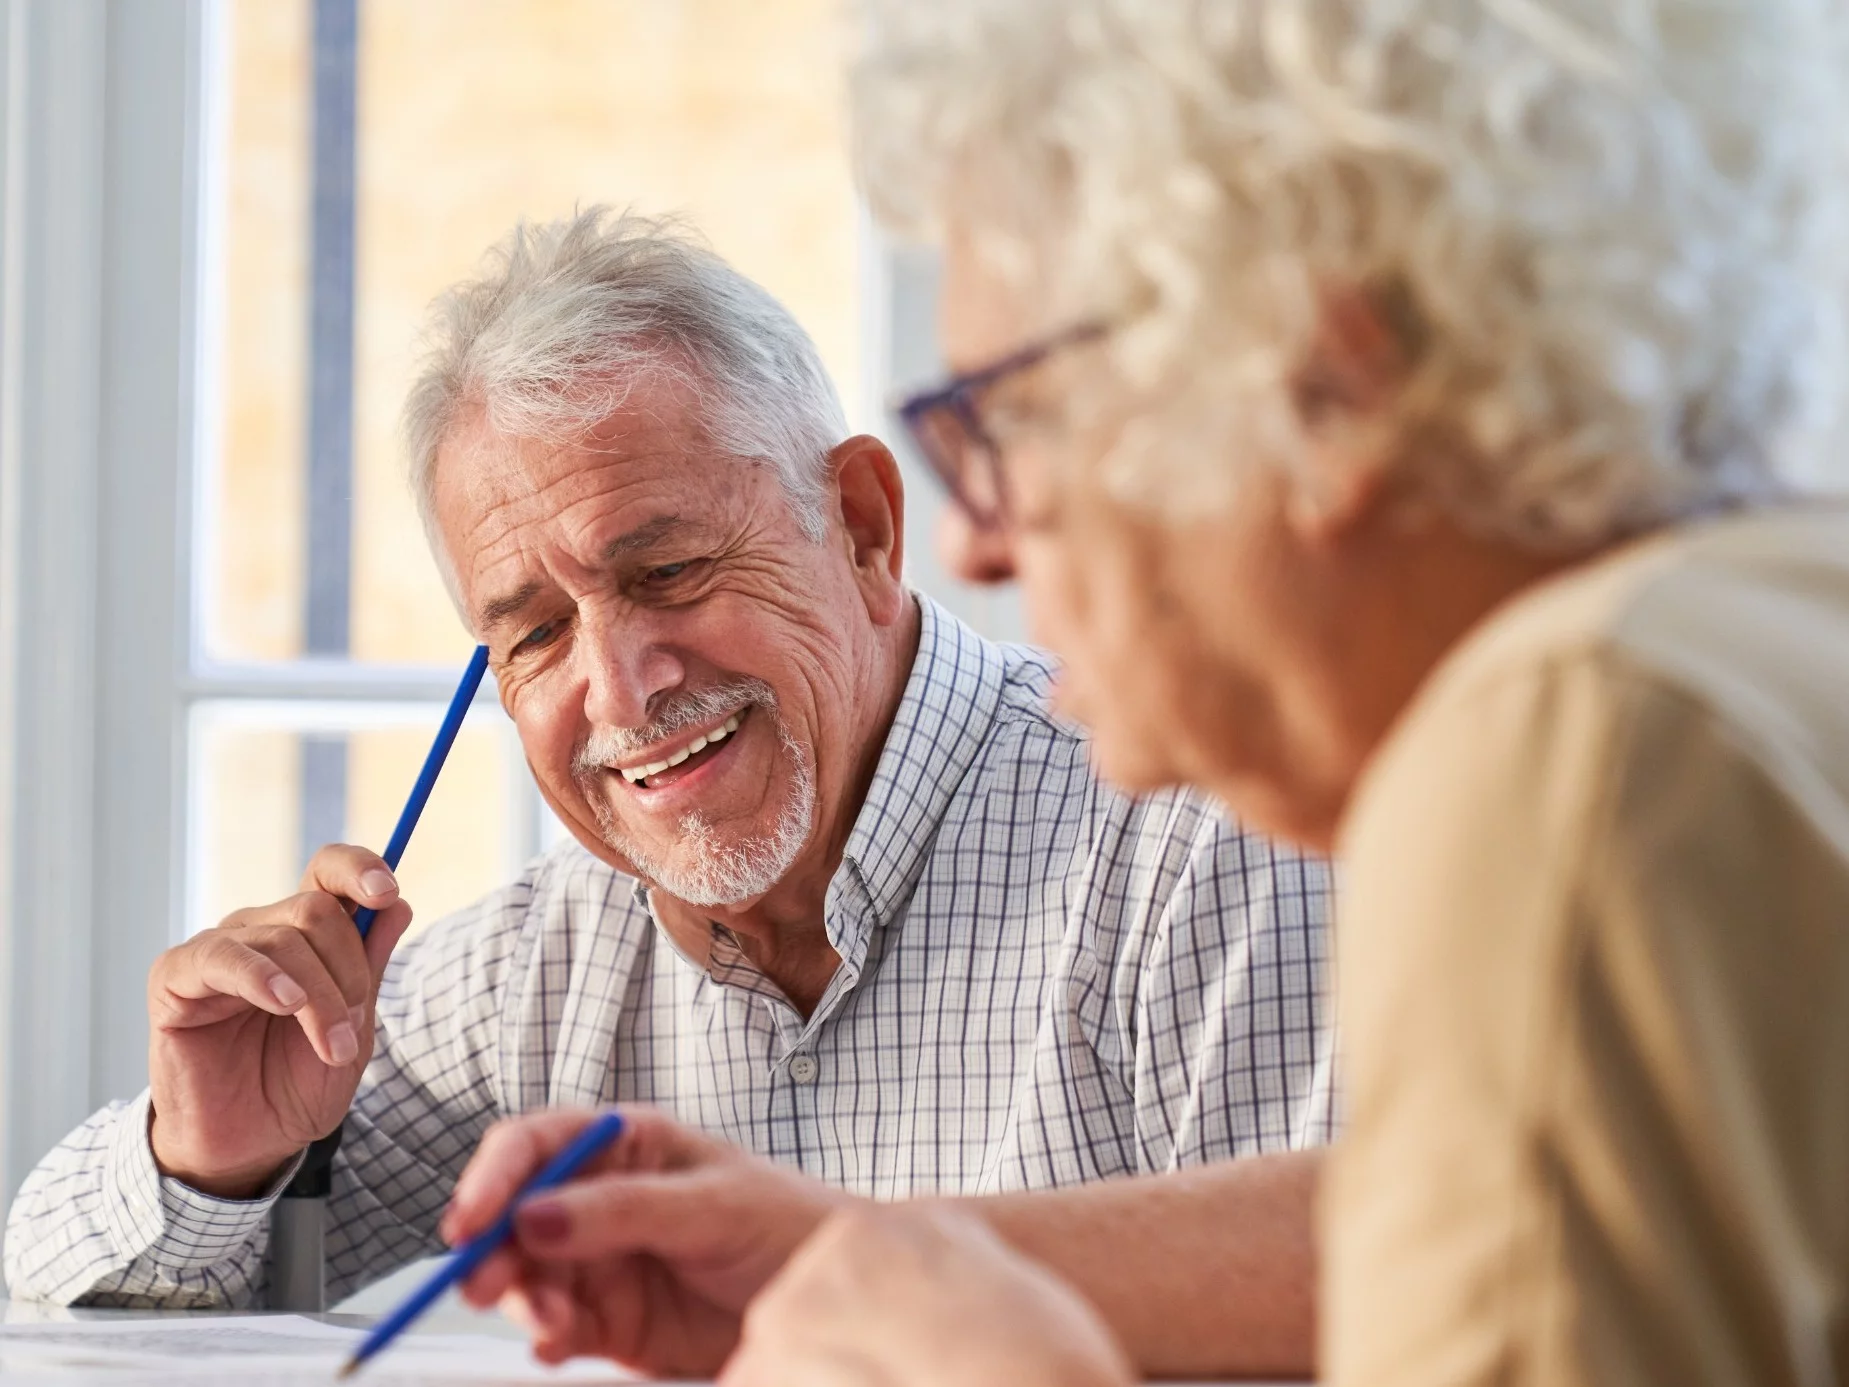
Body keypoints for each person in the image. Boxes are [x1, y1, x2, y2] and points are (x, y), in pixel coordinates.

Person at [448, 2, 1849, 1385]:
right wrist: (852, 1251)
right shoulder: (1743, 638)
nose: (974, 540)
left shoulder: (1555, 749)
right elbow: (1473, 1227)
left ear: (1325, 384)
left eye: (1008, 421)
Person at [2, 210, 1335, 1362]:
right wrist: (209, 1155)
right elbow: (55, 1296)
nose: (624, 687)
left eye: (669, 572)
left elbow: (1386, 1322)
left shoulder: (1197, 852)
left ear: (864, 526)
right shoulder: (544, 965)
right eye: (533, 633)